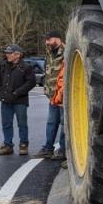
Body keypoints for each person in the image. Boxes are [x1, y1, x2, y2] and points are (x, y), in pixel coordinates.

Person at [0, 44, 35, 155]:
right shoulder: (3, 64)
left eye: (9, 53)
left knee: (22, 123)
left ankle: (23, 145)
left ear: (17, 54)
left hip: (20, 101)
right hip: (6, 100)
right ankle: (8, 145)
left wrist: (17, 92)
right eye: (6, 53)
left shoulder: (26, 67)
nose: (7, 55)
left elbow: (31, 83)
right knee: (6, 123)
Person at [35, 31, 66, 160]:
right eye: (46, 40)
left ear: (58, 39)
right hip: (52, 96)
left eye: (49, 39)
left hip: (63, 97)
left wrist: (61, 93)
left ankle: (63, 150)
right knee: (51, 122)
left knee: (65, 124)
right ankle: (48, 149)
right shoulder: (49, 53)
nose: (47, 42)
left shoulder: (66, 51)